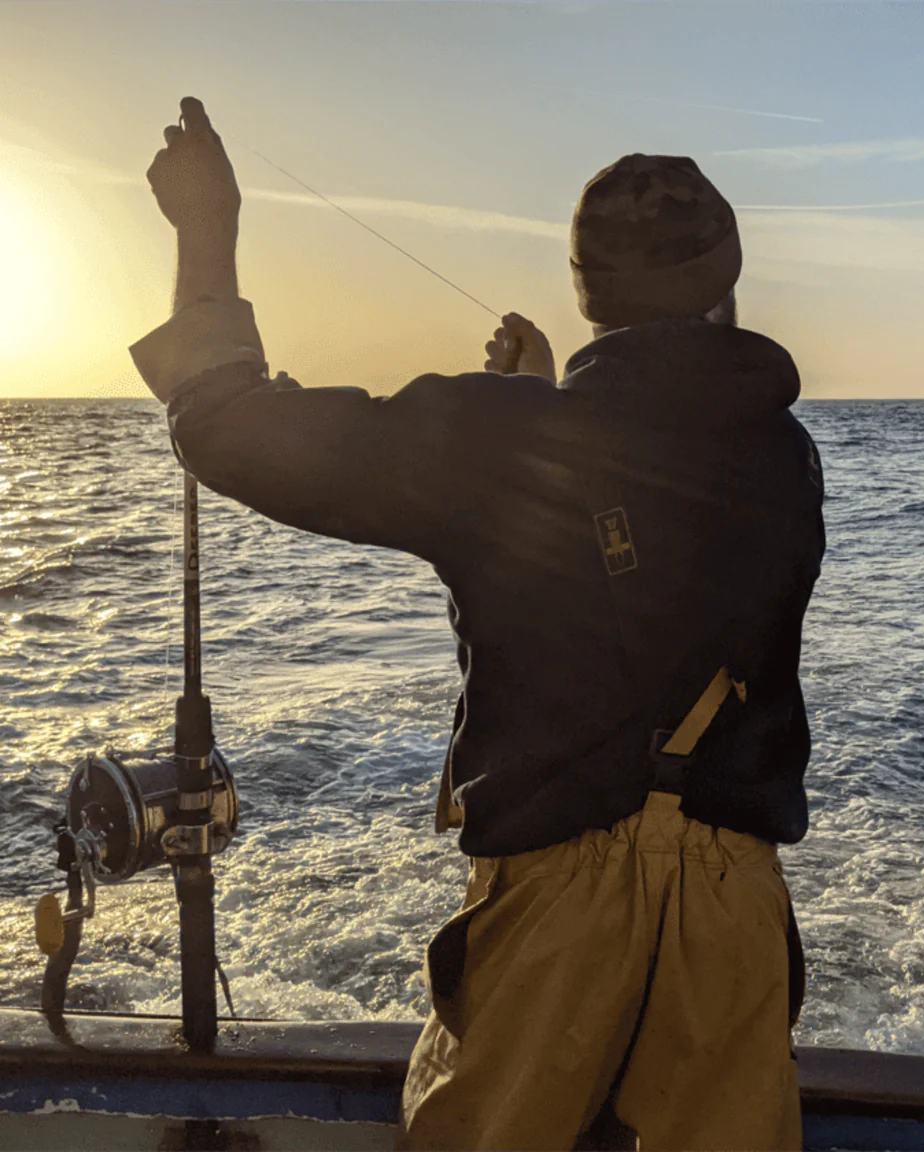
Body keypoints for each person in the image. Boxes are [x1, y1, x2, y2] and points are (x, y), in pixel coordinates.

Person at [132, 97, 824, 1151]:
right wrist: (539, 418)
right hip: (737, 911)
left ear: (587, 291)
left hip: (560, 910)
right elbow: (657, 522)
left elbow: (228, 427)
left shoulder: (509, 447)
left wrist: (206, 233)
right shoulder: (790, 458)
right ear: (729, 275)